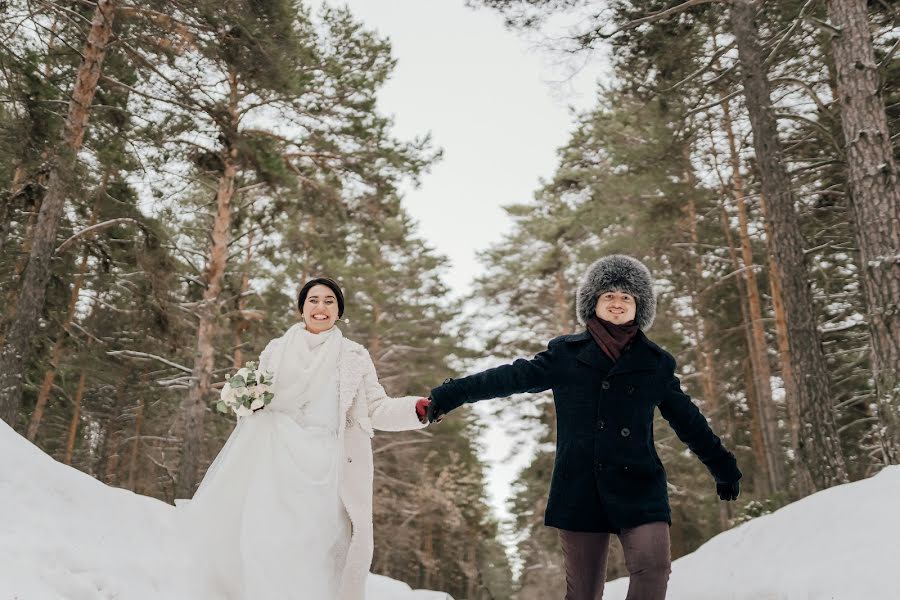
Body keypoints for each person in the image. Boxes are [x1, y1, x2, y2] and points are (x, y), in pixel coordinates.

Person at [426, 255, 742, 600]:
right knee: (584, 593)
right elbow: (509, 377)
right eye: (609, 296)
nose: (618, 303)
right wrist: (452, 393)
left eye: (627, 297)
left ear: (640, 306)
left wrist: (723, 468)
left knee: (654, 570)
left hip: (639, 484)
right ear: (594, 304)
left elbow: (688, 420)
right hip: (580, 486)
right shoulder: (566, 356)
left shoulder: (655, 364)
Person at [176, 277, 431, 600]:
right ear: (301, 309)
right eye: (313, 300)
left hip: (328, 471)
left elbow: (377, 408)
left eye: (329, 301)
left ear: (339, 311)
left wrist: (416, 410)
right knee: (267, 546)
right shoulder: (276, 350)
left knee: (316, 554)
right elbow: (257, 401)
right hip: (274, 462)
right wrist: (244, 400)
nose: (320, 307)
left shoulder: (354, 356)